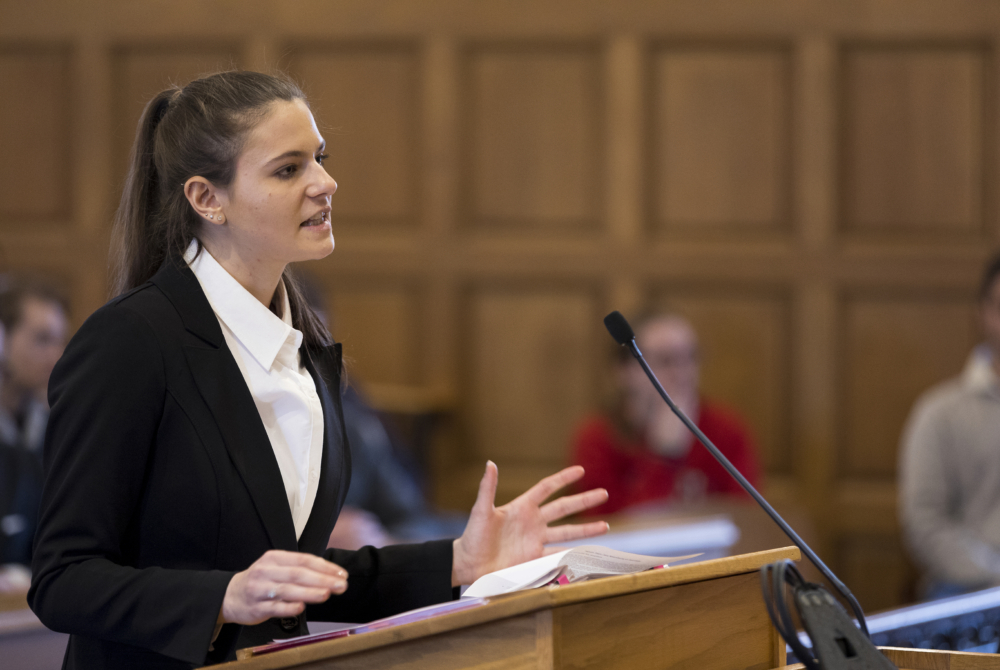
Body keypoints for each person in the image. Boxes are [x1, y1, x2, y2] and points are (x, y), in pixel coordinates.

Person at [28, 71, 609, 669]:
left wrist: (459, 562)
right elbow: (63, 578)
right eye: (288, 169)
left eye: (320, 159)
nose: (326, 183)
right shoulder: (129, 341)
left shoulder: (304, 344)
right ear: (207, 199)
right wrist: (223, 598)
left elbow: (292, 577)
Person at [572, 313, 761, 516]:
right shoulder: (597, 437)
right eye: (665, 360)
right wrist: (662, 458)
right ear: (625, 370)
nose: (682, 373)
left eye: (690, 357)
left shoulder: (725, 427)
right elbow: (608, 529)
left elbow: (742, 517)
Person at [900, 253, 1000, 600]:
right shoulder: (939, 413)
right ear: (983, 312)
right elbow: (925, 524)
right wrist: (992, 575)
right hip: (969, 589)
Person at [0, 276, 69, 458]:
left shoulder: (54, 424)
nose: (56, 356)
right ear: (2, 338)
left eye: (59, 342)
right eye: (42, 339)